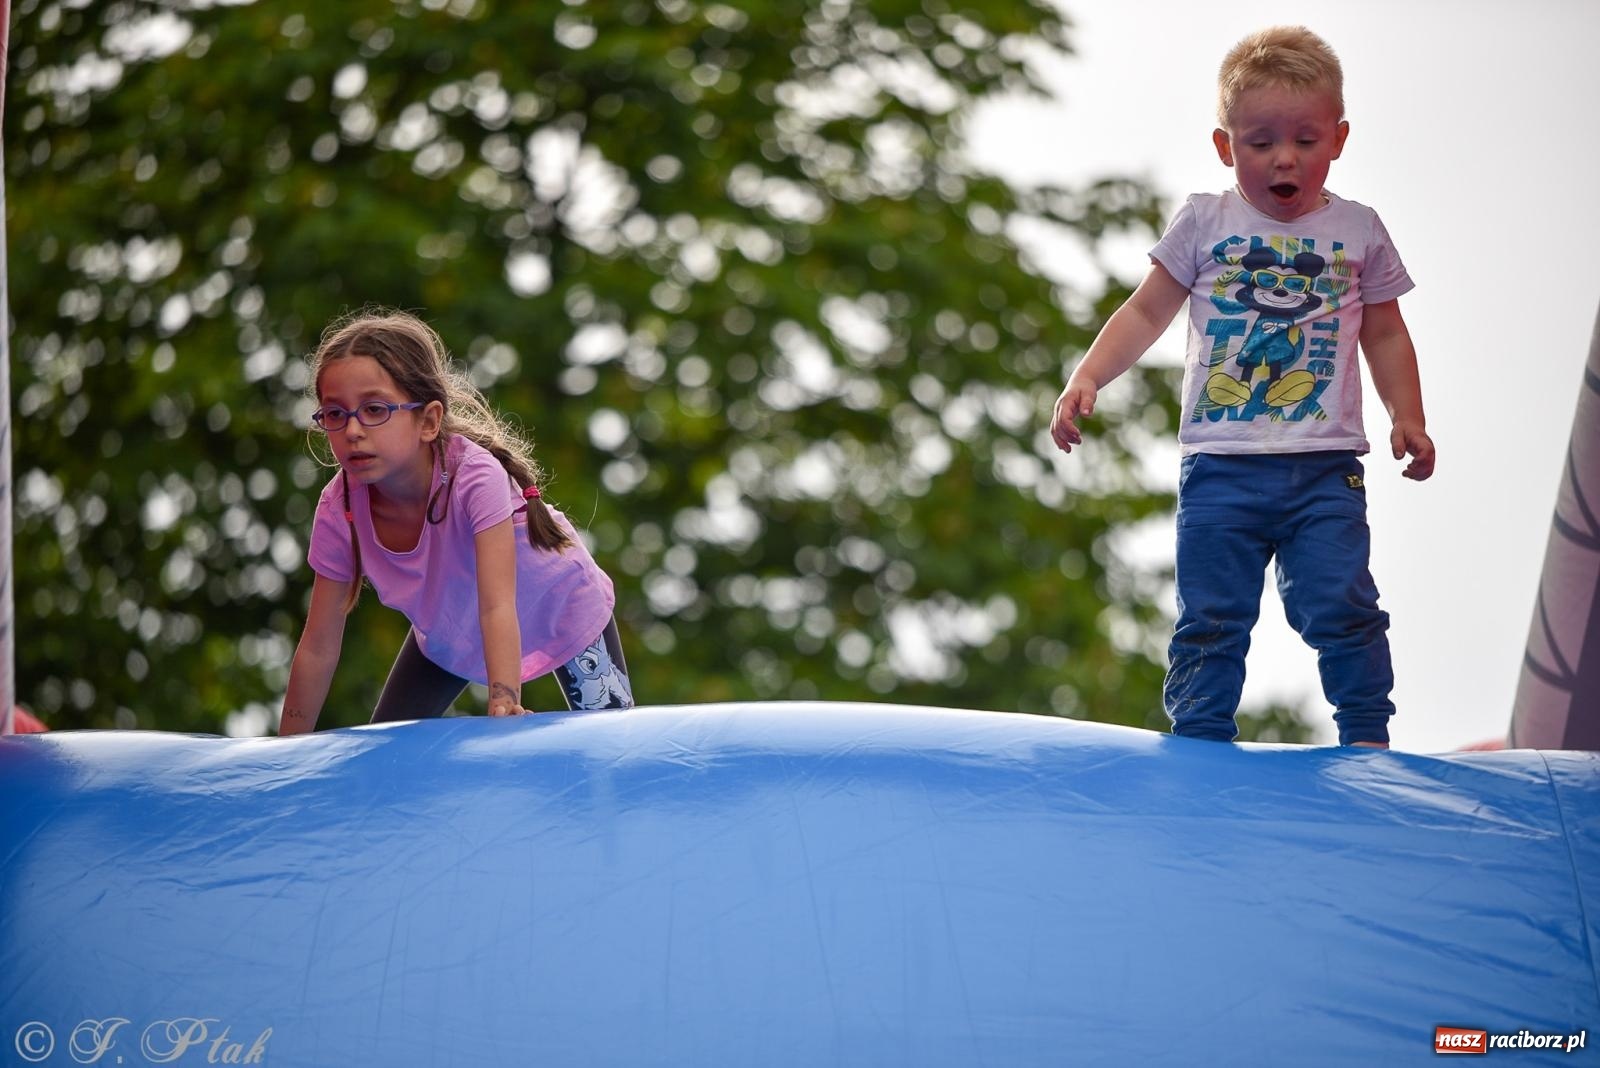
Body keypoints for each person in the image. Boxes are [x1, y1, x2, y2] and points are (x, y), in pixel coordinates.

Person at [1048, 25, 1434, 748]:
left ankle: (1367, 734)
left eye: (1305, 140)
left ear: (1338, 139)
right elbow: (1147, 309)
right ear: (1227, 146)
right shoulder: (1205, 222)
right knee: (1212, 614)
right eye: (1260, 143)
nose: (1284, 158)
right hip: (1222, 465)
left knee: (1341, 602)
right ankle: (1198, 739)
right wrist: (1090, 374)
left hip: (1324, 468)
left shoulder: (1359, 231)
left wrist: (1405, 415)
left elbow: (1384, 331)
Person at [278, 310, 633, 734]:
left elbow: (497, 603)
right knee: (387, 758)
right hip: (451, 631)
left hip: (560, 606)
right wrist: (289, 752)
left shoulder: (474, 477)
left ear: (428, 421)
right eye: (335, 414)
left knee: (613, 744)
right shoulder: (341, 508)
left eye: (374, 409)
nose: (353, 429)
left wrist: (504, 699)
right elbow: (318, 646)